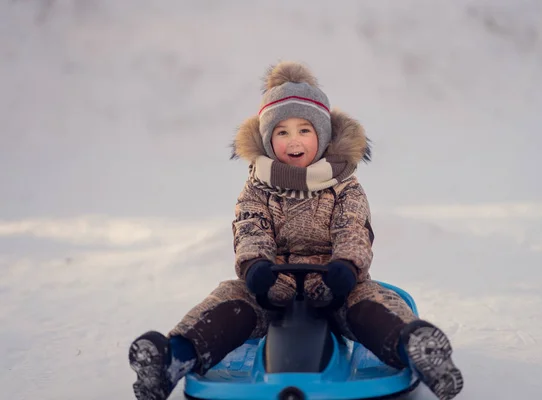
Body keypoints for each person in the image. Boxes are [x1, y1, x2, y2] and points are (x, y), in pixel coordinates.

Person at [128, 61, 464, 400]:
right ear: (268, 139)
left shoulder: (345, 188)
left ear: (322, 136)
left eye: (304, 129)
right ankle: (174, 355)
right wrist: (255, 266)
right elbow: (251, 228)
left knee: (370, 302)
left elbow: (353, 229)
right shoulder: (258, 188)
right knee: (230, 298)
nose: (293, 140)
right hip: (272, 289)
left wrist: (347, 266)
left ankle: (416, 347)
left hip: (335, 287)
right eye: (282, 131)